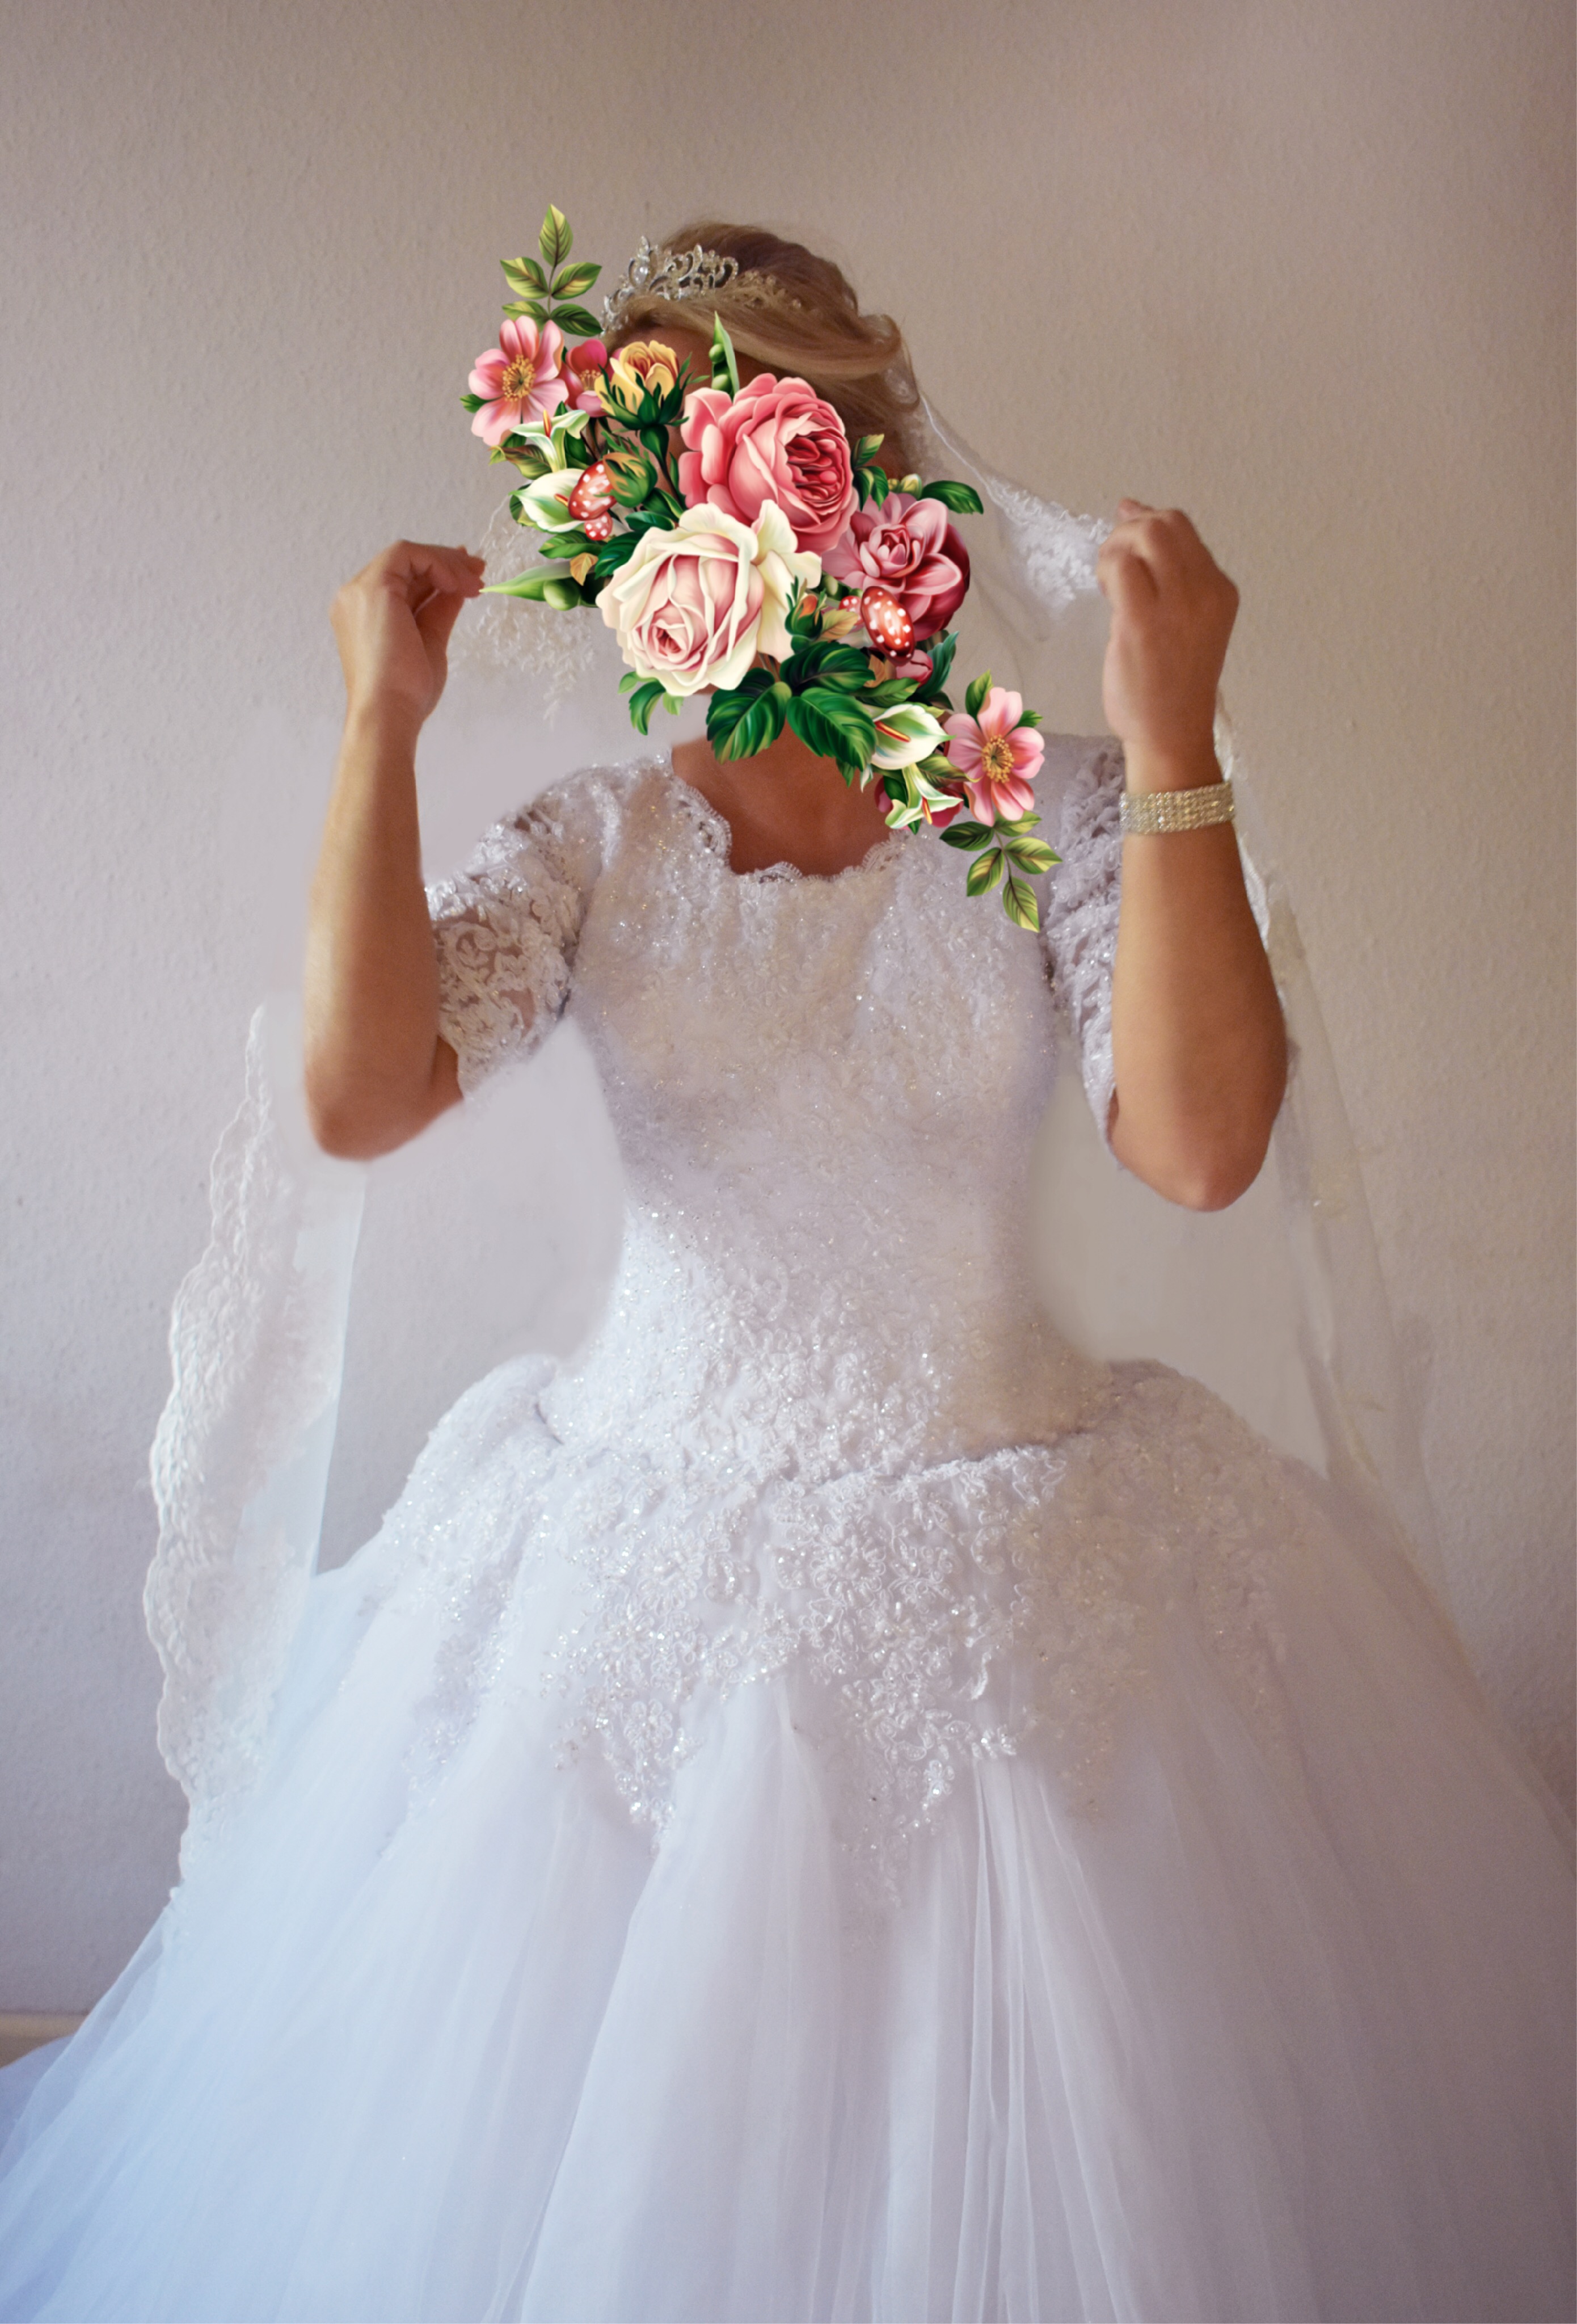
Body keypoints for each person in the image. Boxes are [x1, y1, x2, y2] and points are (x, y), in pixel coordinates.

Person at [0, 223, 1571, 2324]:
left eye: (771, 450)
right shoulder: (597, 838)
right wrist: (382, 722)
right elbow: (364, 1096)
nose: (727, 509)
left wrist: (1172, 733)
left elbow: (1200, 1149)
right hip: (630, 1540)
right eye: (666, 468)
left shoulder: (1045, 808)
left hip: (1021, 1524)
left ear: (863, 482)